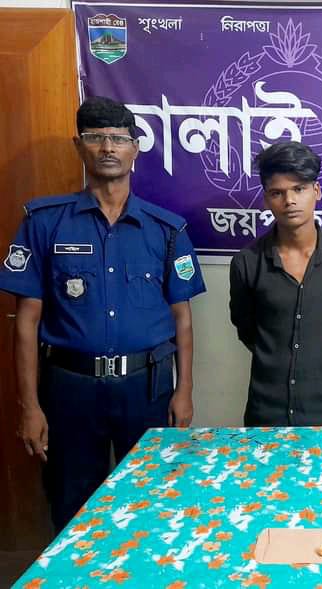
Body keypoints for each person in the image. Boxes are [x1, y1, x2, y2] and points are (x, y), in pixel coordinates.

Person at [0, 96, 206, 532]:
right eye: (95, 137)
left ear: (135, 148)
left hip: (146, 388)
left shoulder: (166, 230)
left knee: (152, 500)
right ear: (79, 146)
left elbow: (183, 320)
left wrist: (184, 391)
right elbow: (26, 323)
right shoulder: (44, 223)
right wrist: (30, 407)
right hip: (69, 391)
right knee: (72, 504)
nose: (108, 147)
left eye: (119, 138)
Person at [229, 141, 322, 426]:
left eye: (299, 189)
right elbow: (247, 329)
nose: (289, 201)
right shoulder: (247, 262)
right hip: (267, 413)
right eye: (277, 193)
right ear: (266, 199)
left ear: (317, 191)